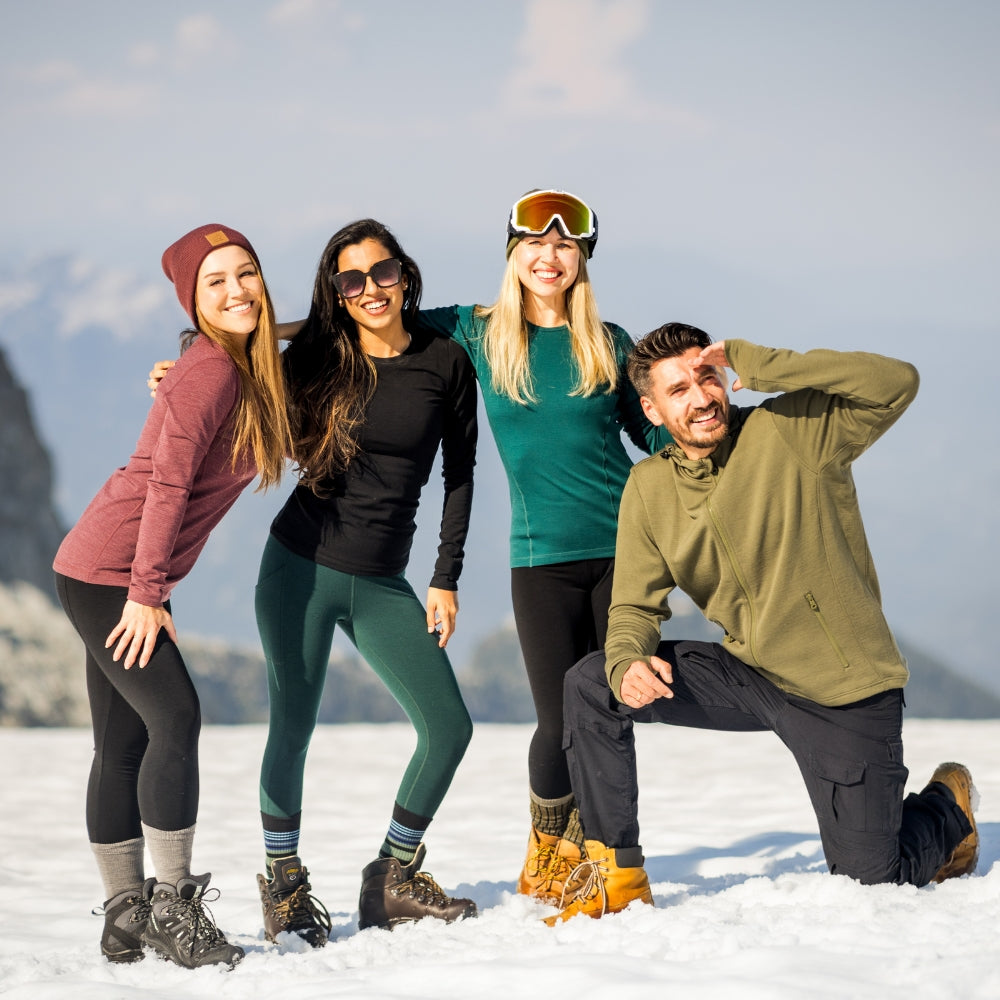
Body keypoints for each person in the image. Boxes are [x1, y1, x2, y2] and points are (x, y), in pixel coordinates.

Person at [549, 323, 978, 921]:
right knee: (592, 682)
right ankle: (617, 877)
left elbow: (895, 384)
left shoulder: (791, 431)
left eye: (707, 376)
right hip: (749, 676)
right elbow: (633, 606)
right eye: (679, 389)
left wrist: (767, 363)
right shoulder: (650, 487)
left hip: (843, 691)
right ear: (650, 408)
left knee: (873, 882)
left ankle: (946, 811)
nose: (701, 398)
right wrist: (626, 661)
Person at [414, 190, 672, 898]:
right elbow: (369, 325)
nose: (549, 256)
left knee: (611, 710)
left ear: (581, 258)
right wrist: (238, 346)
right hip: (541, 561)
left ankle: (606, 852)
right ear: (513, 253)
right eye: (535, 244)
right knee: (558, 719)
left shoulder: (611, 342)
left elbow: (648, 434)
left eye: (565, 246)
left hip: (627, 548)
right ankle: (547, 847)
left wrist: (705, 434)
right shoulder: (477, 330)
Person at [53, 224, 292, 967]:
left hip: (110, 569)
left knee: (123, 741)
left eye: (246, 274)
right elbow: (168, 484)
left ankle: (126, 917)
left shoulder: (230, 361)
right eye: (215, 282)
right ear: (193, 299)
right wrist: (147, 592)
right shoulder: (211, 372)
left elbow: (277, 323)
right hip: (113, 573)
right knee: (176, 718)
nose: (237, 291)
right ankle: (171, 907)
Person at [253, 219, 478, 946]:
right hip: (300, 566)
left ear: (404, 274)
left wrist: (444, 579)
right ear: (337, 295)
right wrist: (181, 370)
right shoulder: (320, 355)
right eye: (351, 281)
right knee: (294, 724)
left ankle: (392, 876)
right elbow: (234, 378)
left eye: (382, 273)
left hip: (383, 579)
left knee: (448, 728)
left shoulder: (446, 360)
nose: (370, 289)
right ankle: (284, 888)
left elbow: (460, 474)